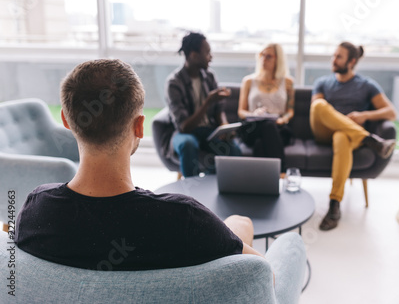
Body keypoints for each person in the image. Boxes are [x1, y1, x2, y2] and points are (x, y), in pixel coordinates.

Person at [15, 59, 263, 270]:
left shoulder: (35, 212)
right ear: (139, 126)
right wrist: (233, 229)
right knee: (242, 222)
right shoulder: (185, 220)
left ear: (67, 121)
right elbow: (261, 275)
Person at [310, 42, 397, 231]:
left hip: (346, 137)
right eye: (334, 55)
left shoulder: (366, 85)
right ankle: (369, 139)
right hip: (323, 131)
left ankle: (334, 205)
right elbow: (317, 113)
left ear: (352, 61)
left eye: (339, 57)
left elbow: (391, 112)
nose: (334, 60)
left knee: (341, 137)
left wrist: (364, 115)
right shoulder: (323, 82)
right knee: (319, 106)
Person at [165, 32, 241, 177]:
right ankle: (191, 191)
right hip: (185, 133)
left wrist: (224, 128)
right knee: (188, 144)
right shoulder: (174, 83)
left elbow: (219, 111)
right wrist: (207, 102)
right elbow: (184, 127)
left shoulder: (209, 77)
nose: (211, 57)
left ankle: (210, 181)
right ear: (193, 55)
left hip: (208, 131)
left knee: (234, 150)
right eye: (207, 53)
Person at [237, 43, 295, 173]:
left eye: (269, 56)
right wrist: (254, 114)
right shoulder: (248, 81)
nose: (264, 59)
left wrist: (283, 119)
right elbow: (241, 111)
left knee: (262, 140)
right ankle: (282, 172)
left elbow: (290, 111)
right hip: (253, 126)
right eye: (262, 55)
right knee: (267, 126)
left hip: (278, 128)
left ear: (277, 59)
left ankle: (259, 186)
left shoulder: (287, 82)